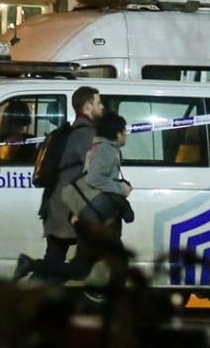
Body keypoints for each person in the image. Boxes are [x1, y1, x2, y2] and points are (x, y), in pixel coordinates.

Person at [14, 85, 102, 283]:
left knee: (54, 260)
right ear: (87, 106)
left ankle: (32, 294)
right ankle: (32, 272)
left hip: (57, 205)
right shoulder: (86, 135)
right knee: (79, 267)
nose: (102, 107)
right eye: (98, 103)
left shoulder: (71, 132)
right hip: (69, 209)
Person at [63, 110, 133, 285]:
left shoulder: (100, 148)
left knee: (81, 269)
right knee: (119, 263)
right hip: (99, 217)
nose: (126, 135)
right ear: (117, 133)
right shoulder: (106, 150)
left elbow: (87, 177)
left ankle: (34, 266)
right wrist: (121, 189)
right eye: (125, 131)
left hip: (96, 215)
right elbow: (94, 179)